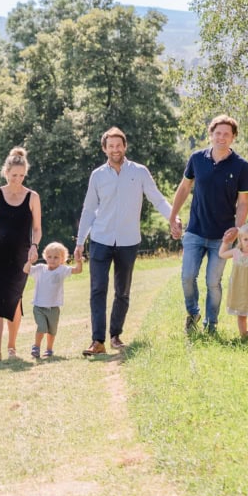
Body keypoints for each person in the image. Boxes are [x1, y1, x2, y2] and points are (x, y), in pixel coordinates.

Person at [75, 127, 176, 355]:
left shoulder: (139, 172)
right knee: (97, 290)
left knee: (122, 292)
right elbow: (89, 209)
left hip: (129, 241)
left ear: (125, 146)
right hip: (100, 239)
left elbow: (157, 198)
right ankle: (97, 341)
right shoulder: (98, 175)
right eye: (110, 146)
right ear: (104, 149)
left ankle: (115, 336)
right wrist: (80, 241)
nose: (115, 149)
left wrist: (173, 217)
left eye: (118, 145)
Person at [169, 115, 248, 334]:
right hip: (195, 231)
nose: (221, 137)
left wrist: (237, 227)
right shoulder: (197, 159)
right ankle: (193, 313)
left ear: (233, 137)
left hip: (222, 237)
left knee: (213, 282)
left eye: (226, 134)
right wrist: (173, 215)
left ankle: (211, 324)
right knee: (187, 277)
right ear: (211, 134)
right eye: (218, 133)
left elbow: (243, 203)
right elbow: (184, 188)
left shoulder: (241, 166)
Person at [0, 147, 42, 362]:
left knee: (14, 299)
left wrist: (34, 245)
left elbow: (38, 228)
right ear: (6, 173)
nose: (18, 179)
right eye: (14, 175)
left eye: (22, 176)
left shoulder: (32, 197)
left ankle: (12, 347)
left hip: (21, 257)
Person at [24, 242, 81, 359]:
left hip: (54, 307)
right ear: (45, 256)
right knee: (42, 327)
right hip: (39, 306)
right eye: (49, 257)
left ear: (62, 259)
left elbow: (77, 270)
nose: (52, 260)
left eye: (56, 257)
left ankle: (49, 349)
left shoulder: (62, 270)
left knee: (52, 330)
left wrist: (79, 261)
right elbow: (26, 270)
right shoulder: (40, 269)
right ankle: (36, 347)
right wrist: (29, 261)